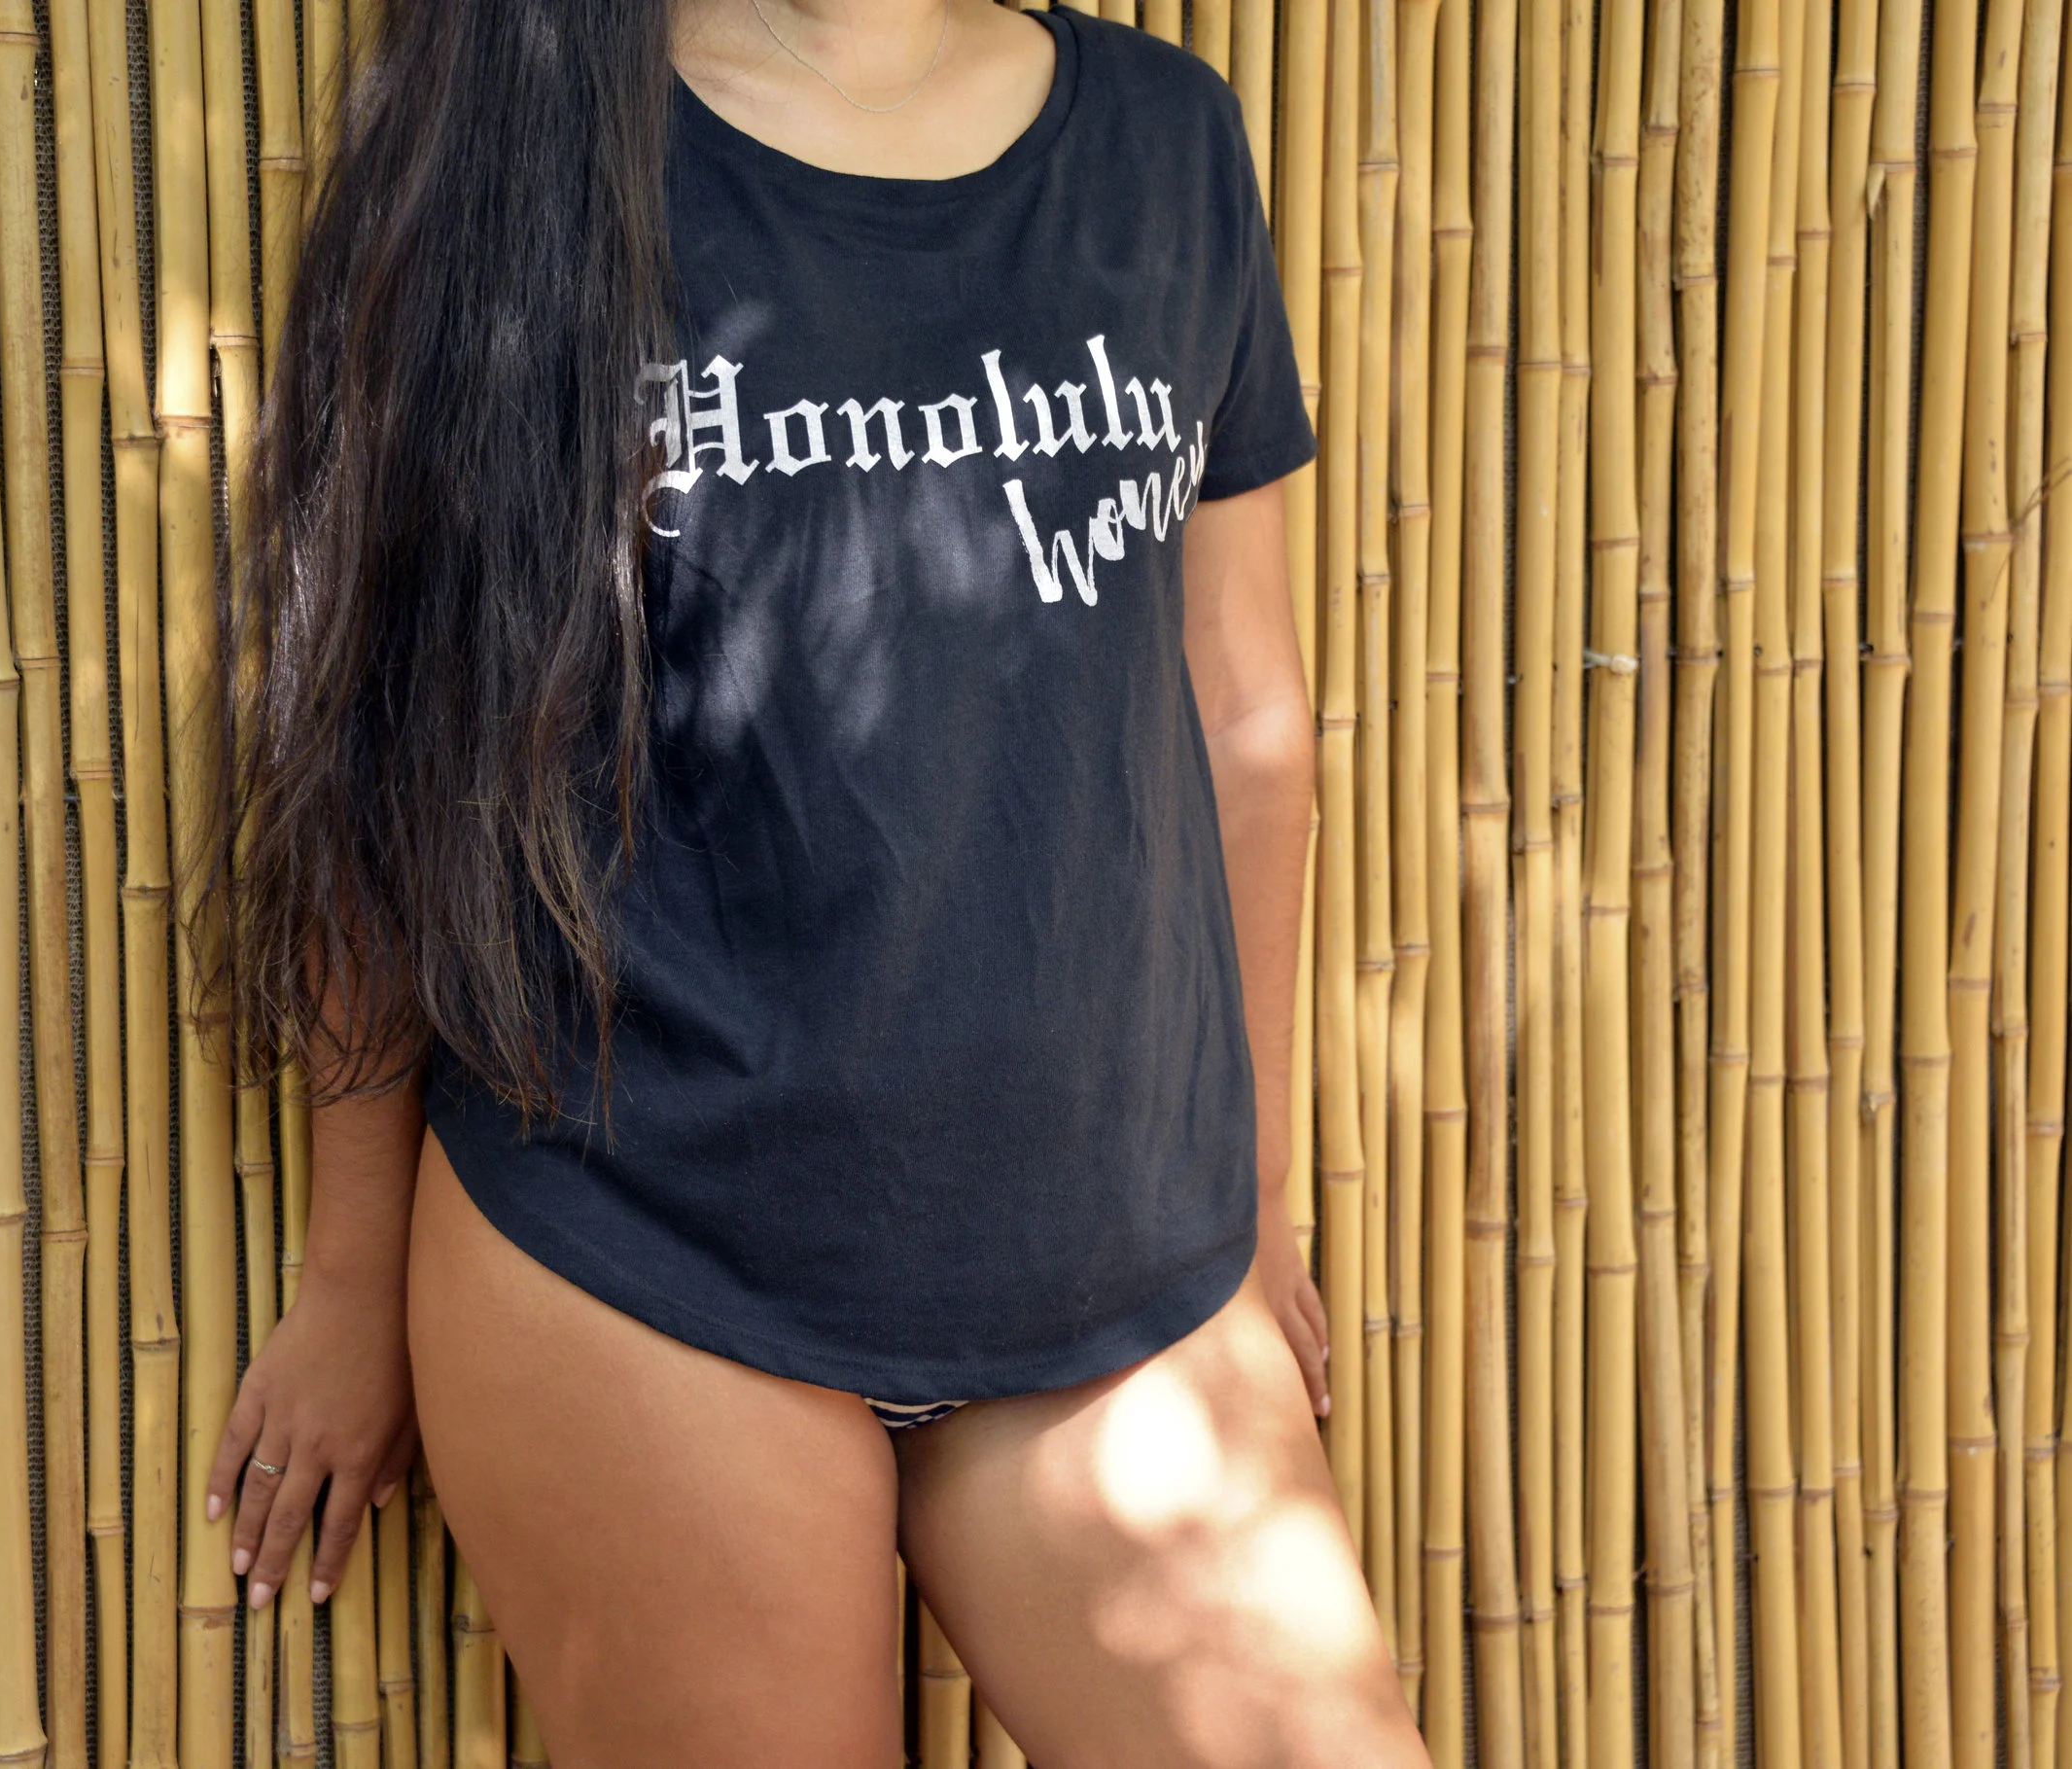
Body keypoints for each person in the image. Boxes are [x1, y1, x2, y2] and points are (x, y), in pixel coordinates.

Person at [198, 2, 1427, 1764]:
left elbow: (1247, 720)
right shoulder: (524, 136)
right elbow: (389, 755)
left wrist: (1257, 1203)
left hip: (1116, 1263)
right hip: (646, 1260)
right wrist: (350, 1286)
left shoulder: (1167, 144)